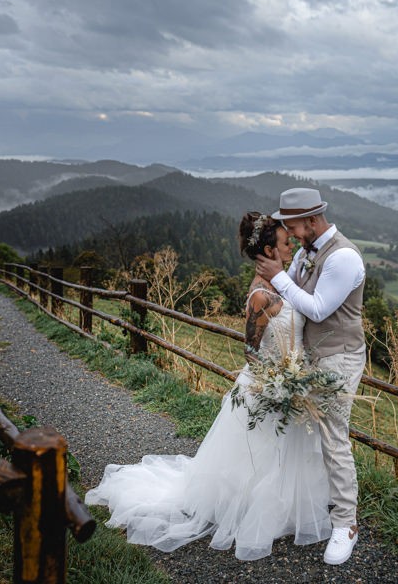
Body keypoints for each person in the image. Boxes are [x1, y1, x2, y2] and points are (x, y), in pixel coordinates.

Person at [85, 211, 333, 561]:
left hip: (290, 381)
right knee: (259, 456)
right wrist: (278, 385)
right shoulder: (261, 295)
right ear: (268, 248)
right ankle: (252, 512)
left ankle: (285, 510)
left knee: (281, 455)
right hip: (267, 388)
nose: (290, 243)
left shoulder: (283, 281)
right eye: (284, 240)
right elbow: (250, 351)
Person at [255, 187, 366, 566]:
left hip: (340, 358)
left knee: (334, 436)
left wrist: (278, 278)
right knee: (306, 432)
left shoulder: (344, 258)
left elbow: (318, 310)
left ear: (312, 220)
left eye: (292, 223)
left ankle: (345, 524)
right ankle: (308, 506)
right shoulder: (305, 252)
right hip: (307, 356)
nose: (289, 229)